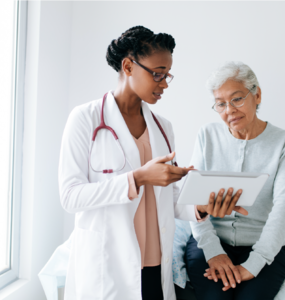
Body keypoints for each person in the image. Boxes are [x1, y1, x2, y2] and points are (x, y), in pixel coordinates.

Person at [58, 27, 246, 300]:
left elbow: (169, 199)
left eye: (167, 75)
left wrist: (203, 206)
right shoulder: (84, 119)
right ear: (128, 66)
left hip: (155, 261)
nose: (165, 83)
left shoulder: (163, 128)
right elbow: (70, 196)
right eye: (157, 73)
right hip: (107, 263)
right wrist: (137, 178)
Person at [185, 61, 285, 300]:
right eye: (220, 104)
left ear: (257, 95)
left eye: (237, 99)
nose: (229, 110)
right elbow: (193, 200)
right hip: (210, 240)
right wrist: (212, 251)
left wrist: (256, 262)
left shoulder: (281, 143)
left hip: (263, 244)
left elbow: (283, 210)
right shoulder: (207, 135)